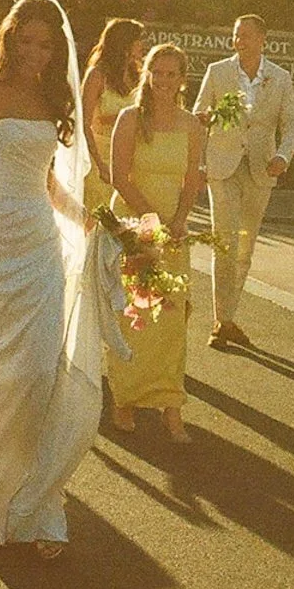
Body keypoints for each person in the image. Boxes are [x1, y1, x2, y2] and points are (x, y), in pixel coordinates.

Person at [0, 0, 117, 556]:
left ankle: (37, 503)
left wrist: (89, 219)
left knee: (38, 374)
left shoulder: (54, 98)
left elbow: (49, 181)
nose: (37, 54)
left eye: (47, 46)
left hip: (39, 245)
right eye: (28, 42)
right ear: (10, 37)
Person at [106, 44, 205, 443]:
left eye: (171, 74)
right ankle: (125, 399)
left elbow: (191, 180)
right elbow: (119, 177)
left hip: (174, 230)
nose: (163, 82)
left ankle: (171, 406)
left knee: (171, 318)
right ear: (147, 75)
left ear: (183, 79)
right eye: (157, 73)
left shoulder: (192, 125)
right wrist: (153, 221)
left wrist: (179, 220)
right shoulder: (131, 118)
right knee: (136, 316)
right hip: (135, 223)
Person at [194, 14, 294, 350]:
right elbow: (199, 117)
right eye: (236, 35)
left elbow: (293, 125)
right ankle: (221, 320)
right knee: (224, 242)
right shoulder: (218, 72)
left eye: (246, 35)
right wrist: (199, 160)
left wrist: (282, 157)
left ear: (262, 40)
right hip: (222, 165)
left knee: (245, 247)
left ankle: (228, 315)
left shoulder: (280, 78)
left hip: (260, 169)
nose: (240, 41)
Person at [81, 18, 144, 214]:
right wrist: (99, 164)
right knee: (101, 219)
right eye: (139, 39)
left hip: (131, 155)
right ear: (124, 43)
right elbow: (84, 124)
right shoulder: (97, 75)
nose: (143, 44)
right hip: (101, 154)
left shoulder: (137, 74)